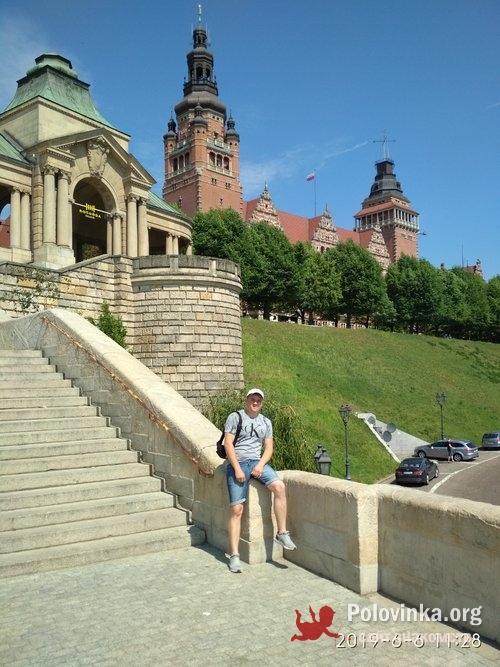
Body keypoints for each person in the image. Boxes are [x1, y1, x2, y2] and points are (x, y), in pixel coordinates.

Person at [223, 388, 297, 573]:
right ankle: (234, 555)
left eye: (258, 400)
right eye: (252, 399)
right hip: (237, 463)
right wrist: (237, 468)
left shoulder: (266, 422)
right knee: (236, 509)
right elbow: (228, 443)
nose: (255, 402)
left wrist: (260, 465)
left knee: (279, 487)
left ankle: (282, 533)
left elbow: (269, 447)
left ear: (262, 403)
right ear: (246, 400)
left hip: (257, 462)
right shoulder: (235, 417)